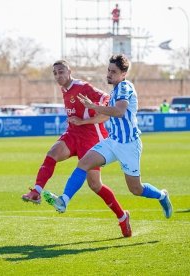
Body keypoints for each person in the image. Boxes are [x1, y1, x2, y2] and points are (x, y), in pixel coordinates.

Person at [43, 54, 173, 235]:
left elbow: (119, 112)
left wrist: (93, 106)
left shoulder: (125, 88)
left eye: (114, 71)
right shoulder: (116, 88)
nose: (109, 74)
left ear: (124, 73)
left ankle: (162, 196)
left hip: (129, 145)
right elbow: (109, 113)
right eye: (109, 70)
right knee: (84, 163)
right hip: (113, 141)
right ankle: (64, 200)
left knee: (136, 189)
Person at [22, 59, 132, 237]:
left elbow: (105, 102)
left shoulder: (83, 87)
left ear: (69, 71)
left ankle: (122, 216)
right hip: (73, 134)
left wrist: (85, 120)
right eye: (55, 73)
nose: (58, 76)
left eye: (61, 72)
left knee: (95, 185)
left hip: (92, 137)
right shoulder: (64, 90)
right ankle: (36, 191)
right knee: (52, 154)